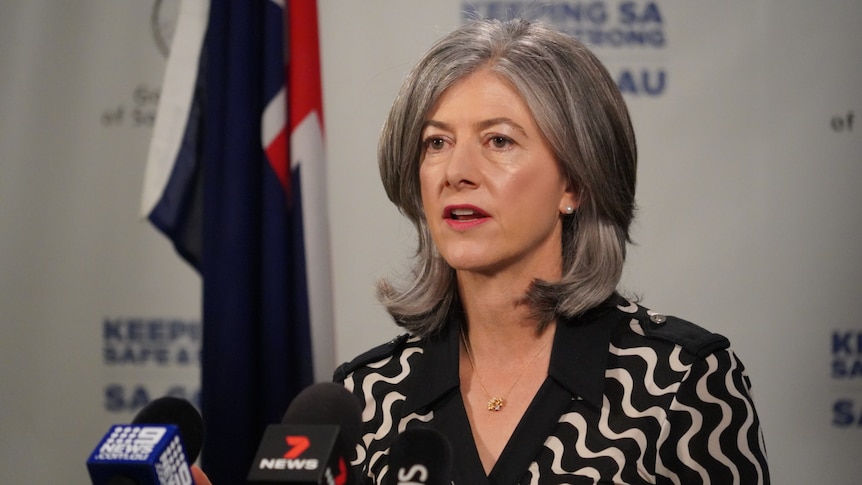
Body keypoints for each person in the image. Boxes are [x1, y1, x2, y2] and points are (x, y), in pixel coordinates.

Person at [332, 17, 770, 485]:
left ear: (575, 182)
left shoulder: (680, 381)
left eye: (498, 140)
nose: (457, 171)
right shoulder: (365, 395)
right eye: (436, 142)